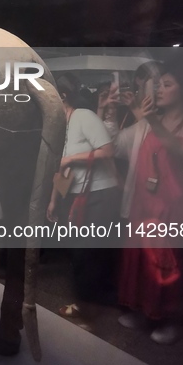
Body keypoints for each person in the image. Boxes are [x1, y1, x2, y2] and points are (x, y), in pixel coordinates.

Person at [114, 61, 183, 343]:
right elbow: (121, 146)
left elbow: (180, 151)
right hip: (145, 202)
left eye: (168, 85)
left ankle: (170, 319)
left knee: (170, 263)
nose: (160, 90)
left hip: (174, 206)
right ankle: (142, 310)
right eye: (159, 85)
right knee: (140, 260)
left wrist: (152, 121)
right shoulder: (149, 122)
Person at [47, 73, 120, 317]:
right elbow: (63, 170)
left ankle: (87, 306)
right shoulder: (62, 125)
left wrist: (71, 158)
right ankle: (89, 302)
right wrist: (54, 200)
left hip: (100, 193)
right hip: (78, 196)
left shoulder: (83, 116)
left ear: (62, 96)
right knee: (80, 251)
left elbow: (107, 150)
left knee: (86, 252)